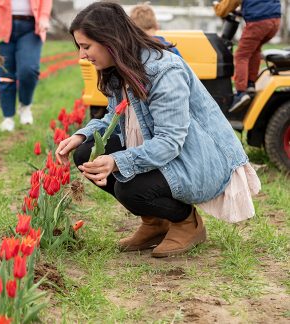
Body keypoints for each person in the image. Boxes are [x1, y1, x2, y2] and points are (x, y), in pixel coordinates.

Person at [56, 2, 260, 258]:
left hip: (196, 160)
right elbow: (115, 115)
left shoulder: (164, 71)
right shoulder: (120, 68)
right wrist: (81, 135)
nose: (81, 56)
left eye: (86, 47)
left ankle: (187, 223)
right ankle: (156, 222)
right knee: (87, 153)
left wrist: (118, 160)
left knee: (128, 186)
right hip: (166, 153)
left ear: (110, 40)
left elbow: (170, 142)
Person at [0, 0, 52, 132]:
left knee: (28, 69)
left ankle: (25, 105)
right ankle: (8, 117)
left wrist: (44, 17)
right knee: (4, 73)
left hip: (32, 26)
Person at [213, 0, 281, 113]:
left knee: (241, 55)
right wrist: (242, 11)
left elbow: (229, 4)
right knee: (254, 50)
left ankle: (241, 93)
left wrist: (218, 7)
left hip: (259, 21)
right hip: (275, 21)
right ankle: (250, 84)